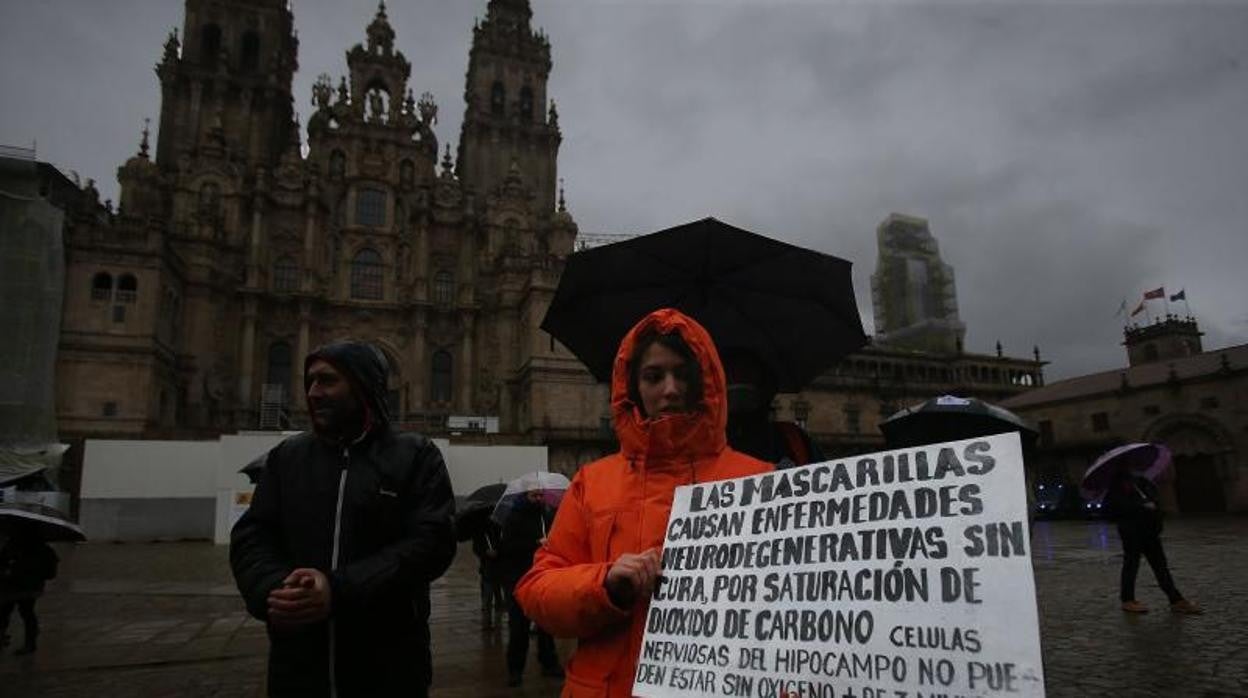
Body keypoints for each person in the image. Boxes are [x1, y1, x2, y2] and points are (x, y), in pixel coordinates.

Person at [514, 308, 773, 696]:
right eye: (654, 376)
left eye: (683, 374)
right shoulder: (592, 482)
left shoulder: (761, 480)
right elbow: (537, 590)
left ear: (705, 382)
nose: (670, 389)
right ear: (633, 386)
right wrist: (605, 584)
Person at [230, 341, 457, 697]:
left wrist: (338, 589)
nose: (313, 392)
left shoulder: (415, 457)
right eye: (310, 381)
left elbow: (431, 544)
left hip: (390, 667)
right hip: (300, 669)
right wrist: (273, 591)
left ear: (363, 385)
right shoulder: (286, 458)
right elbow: (253, 537)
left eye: (327, 381)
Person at [1105, 470, 1202, 615]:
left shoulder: (1141, 482)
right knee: (1131, 565)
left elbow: (1154, 498)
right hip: (1132, 533)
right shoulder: (1115, 488)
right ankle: (1127, 600)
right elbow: (1115, 510)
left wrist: (1153, 505)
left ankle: (1176, 600)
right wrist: (1140, 506)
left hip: (1150, 531)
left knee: (1160, 566)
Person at [721, 347, 825, 469]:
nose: (739, 380)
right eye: (732, 375)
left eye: (747, 373)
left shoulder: (793, 438)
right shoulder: (703, 443)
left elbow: (822, 479)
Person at [498, 490, 562, 686]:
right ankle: (515, 669)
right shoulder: (514, 517)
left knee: (546, 625)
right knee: (519, 627)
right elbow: (507, 547)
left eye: (541, 496)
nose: (539, 499)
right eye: (535, 496)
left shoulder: (547, 515)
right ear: (526, 496)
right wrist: (535, 543)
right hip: (519, 577)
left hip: (543, 576)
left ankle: (549, 663)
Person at [0, 531, 58, 655]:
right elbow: (50, 574)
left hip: (15, 586)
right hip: (29, 588)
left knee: (6, 612)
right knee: (26, 614)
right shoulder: (46, 550)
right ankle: (30, 643)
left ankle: (22, 641)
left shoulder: (13, 546)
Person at [471, 519, 504, 630]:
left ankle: (498, 621)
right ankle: (487, 621)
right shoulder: (480, 530)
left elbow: (505, 543)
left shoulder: (499, 527)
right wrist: (486, 552)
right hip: (487, 568)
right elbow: (476, 548)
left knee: (498, 596)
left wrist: (498, 551)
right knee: (488, 595)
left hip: (499, 567)